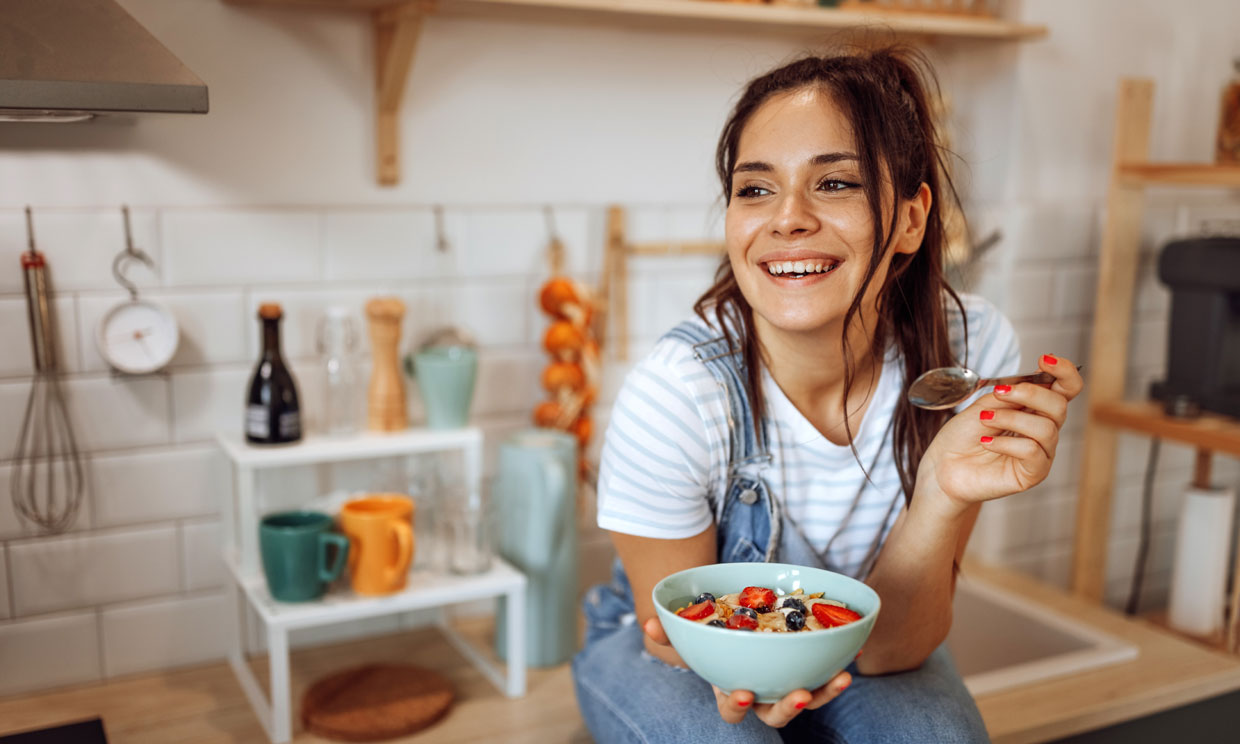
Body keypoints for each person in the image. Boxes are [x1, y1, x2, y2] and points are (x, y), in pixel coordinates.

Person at [571, 45, 1084, 743]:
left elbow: (892, 646)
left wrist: (942, 487)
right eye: (755, 189)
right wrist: (769, 684)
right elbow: (676, 635)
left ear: (910, 218)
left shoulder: (969, 358)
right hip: (667, 652)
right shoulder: (677, 395)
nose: (787, 218)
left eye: (834, 183)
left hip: (860, 646)